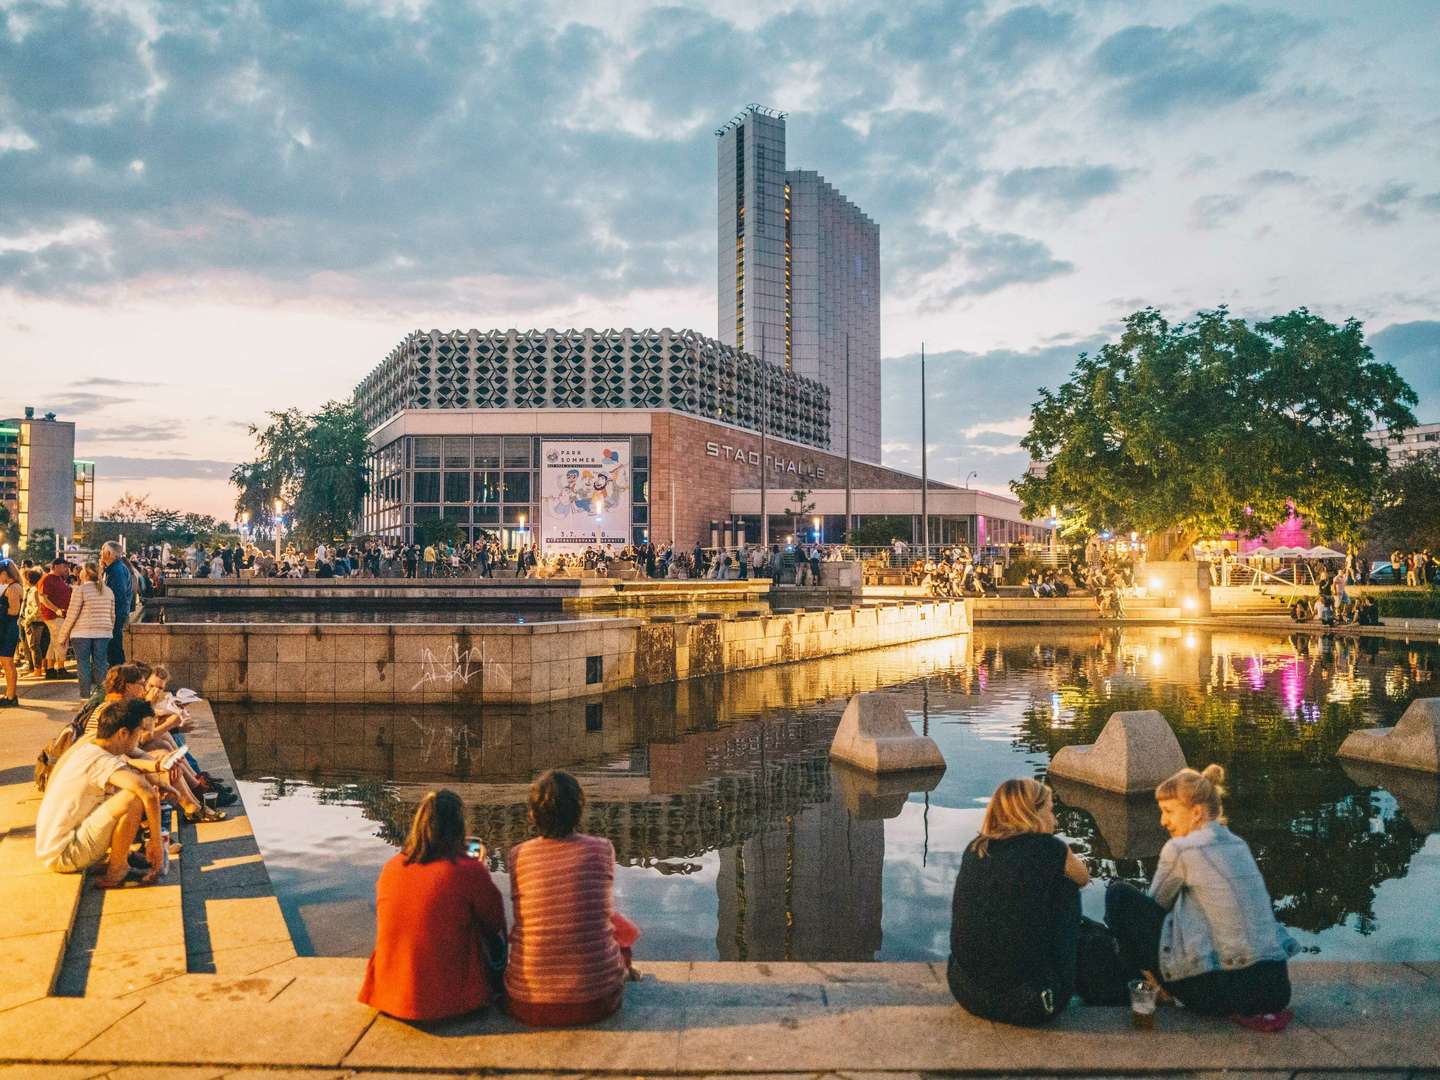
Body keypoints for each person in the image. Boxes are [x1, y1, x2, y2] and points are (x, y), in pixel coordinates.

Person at [1105, 765, 1296, 1020]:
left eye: (1169, 811)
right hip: (1276, 990)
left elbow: (1154, 908)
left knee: (1119, 895)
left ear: (1196, 813)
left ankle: (1143, 986)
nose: (1163, 821)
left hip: (1221, 996)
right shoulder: (1238, 845)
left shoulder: (1181, 848)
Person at [947, 778, 1089, 1026]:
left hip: (966, 992)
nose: (1054, 820)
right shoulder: (1050, 848)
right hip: (1030, 1004)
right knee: (1066, 887)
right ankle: (1068, 979)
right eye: (1050, 811)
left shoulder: (976, 848)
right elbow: (1083, 877)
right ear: (1032, 813)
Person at [358, 790, 507, 1021]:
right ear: (458, 827)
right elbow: (495, 922)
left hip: (389, 999)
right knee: (493, 933)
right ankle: (499, 988)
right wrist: (479, 875)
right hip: (452, 1004)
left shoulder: (391, 868)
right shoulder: (467, 870)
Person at [504, 770, 636, 1026]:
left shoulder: (518, 855)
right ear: (579, 810)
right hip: (597, 1001)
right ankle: (623, 970)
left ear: (532, 814)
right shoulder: (602, 848)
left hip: (526, 1003)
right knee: (614, 923)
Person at [34, 697, 166, 887]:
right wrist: (156, 842)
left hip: (57, 845)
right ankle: (117, 870)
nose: (140, 738)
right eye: (139, 733)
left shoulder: (92, 748)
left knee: (129, 788)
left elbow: (135, 771)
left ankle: (121, 857)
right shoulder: (100, 761)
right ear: (123, 733)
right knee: (134, 797)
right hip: (63, 853)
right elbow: (147, 793)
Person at [56, 561, 115, 700]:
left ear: (86, 574)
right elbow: (112, 615)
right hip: (103, 632)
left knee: (83, 665)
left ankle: (85, 698)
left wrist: (62, 637)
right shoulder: (108, 591)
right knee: (100, 665)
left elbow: (72, 615)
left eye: (82, 570)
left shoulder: (80, 590)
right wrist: (108, 629)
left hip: (81, 633)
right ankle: (101, 698)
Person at [36, 557, 72, 679]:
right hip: (54, 615)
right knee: (61, 640)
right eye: (63, 566)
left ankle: (50, 670)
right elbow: (43, 598)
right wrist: (56, 610)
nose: (66, 569)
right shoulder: (47, 579)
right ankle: (61, 668)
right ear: (55, 566)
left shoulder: (58, 579)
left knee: (54, 642)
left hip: (59, 615)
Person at [100, 542, 134, 666]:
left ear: (109, 553)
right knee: (114, 647)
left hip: (115, 615)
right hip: (117, 614)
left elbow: (118, 595)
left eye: (102, 550)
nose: (100, 553)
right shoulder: (117, 568)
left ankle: (118, 676)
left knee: (114, 649)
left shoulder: (116, 570)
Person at [0, 559, 22, 707]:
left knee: (8, 662)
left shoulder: (13, 588)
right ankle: (10, 694)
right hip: (7, 627)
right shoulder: (11, 587)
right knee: (6, 662)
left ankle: (11, 696)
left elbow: (13, 611)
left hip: (9, 628)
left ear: (4, 573)